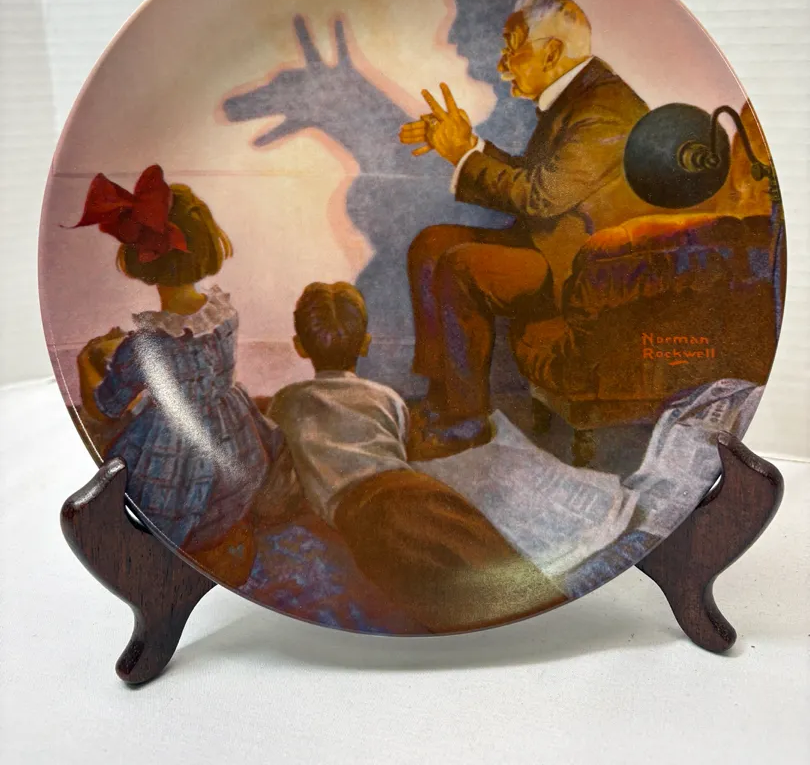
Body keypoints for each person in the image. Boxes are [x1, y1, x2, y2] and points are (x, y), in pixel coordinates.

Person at [399, 0, 651, 459]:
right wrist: (469, 144)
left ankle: (467, 421)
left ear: (551, 52)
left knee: (461, 267)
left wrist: (463, 157)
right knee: (431, 244)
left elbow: (541, 196)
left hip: (584, 271)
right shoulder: (580, 94)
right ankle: (443, 398)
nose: (502, 65)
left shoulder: (604, 107)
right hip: (552, 246)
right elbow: (540, 178)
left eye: (511, 47)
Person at [268, 281, 565, 633]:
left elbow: (281, 469)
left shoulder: (286, 402)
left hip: (363, 510)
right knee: (488, 554)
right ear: (365, 343)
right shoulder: (386, 397)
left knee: (440, 593)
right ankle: (554, 625)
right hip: (415, 487)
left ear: (299, 346)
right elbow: (404, 446)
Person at [73, 165, 290, 588]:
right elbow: (195, 362)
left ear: (143, 257)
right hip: (233, 449)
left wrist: (88, 360)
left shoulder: (145, 345)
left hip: (180, 462)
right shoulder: (223, 314)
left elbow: (105, 407)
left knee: (126, 468)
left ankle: (183, 549)